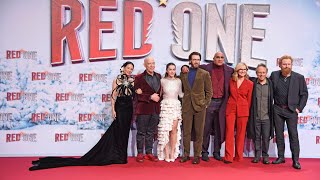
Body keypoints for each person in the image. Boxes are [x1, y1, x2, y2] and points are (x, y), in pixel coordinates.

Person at [29, 61, 136, 171]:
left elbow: (134, 94)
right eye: (128, 68)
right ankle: (117, 155)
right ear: (123, 68)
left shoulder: (132, 81)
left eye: (131, 69)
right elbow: (113, 95)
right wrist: (113, 109)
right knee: (117, 130)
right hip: (120, 106)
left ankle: (121, 156)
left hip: (129, 107)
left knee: (124, 132)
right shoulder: (117, 79)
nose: (130, 70)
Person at [270, 55, 308, 170]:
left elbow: (304, 94)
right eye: (284, 64)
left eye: (288, 64)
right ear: (280, 64)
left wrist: (299, 108)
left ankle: (295, 160)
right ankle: (281, 157)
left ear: (291, 65)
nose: (286, 66)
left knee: (293, 135)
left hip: (291, 110)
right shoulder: (274, 75)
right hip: (277, 109)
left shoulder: (299, 78)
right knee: (279, 135)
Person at [179, 52, 213, 164]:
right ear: (190, 61)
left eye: (198, 59)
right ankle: (186, 154)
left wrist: (205, 103)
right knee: (186, 132)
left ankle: (197, 155)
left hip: (200, 106)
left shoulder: (204, 73)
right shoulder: (183, 73)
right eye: (194, 59)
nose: (196, 61)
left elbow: (209, 91)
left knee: (199, 132)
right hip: (187, 106)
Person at [199, 52, 233, 162]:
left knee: (219, 129)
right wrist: (185, 68)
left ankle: (217, 152)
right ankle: (204, 152)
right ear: (213, 58)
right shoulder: (205, 68)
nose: (219, 59)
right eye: (217, 57)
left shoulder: (229, 70)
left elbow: (241, 75)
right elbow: (193, 68)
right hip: (209, 102)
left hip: (222, 103)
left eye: (222, 57)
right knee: (206, 128)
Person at [224, 62, 253, 163]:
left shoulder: (250, 83)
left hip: (243, 110)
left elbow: (249, 100)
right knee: (229, 132)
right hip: (230, 108)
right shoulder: (231, 81)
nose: (243, 71)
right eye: (241, 69)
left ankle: (239, 156)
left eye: (244, 69)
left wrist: (246, 111)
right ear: (237, 70)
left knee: (241, 134)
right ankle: (228, 157)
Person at [134, 57, 162, 163]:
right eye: (149, 63)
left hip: (155, 109)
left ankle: (149, 153)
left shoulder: (159, 76)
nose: (151, 65)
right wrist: (150, 97)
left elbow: (160, 92)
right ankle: (140, 153)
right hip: (143, 109)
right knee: (141, 132)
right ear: (144, 65)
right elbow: (136, 96)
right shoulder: (139, 78)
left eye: (153, 63)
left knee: (151, 132)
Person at [247, 64, 274, 164]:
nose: (261, 74)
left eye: (263, 72)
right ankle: (257, 156)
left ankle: (265, 156)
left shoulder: (271, 84)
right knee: (256, 137)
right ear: (256, 73)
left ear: (266, 73)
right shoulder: (253, 83)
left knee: (266, 137)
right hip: (256, 116)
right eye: (259, 72)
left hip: (267, 117)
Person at [157, 63, 183, 162]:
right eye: (170, 69)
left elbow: (181, 94)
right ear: (167, 70)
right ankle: (166, 153)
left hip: (175, 106)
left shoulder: (178, 81)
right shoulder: (162, 81)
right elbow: (159, 94)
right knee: (165, 131)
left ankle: (172, 153)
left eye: (173, 69)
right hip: (165, 107)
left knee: (174, 130)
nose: (172, 71)